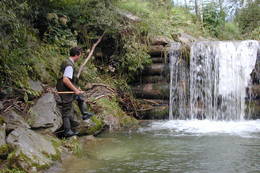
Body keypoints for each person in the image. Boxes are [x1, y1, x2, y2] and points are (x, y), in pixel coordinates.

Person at [56, 47, 93, 138]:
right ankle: (67, 131)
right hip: (65, 90)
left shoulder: (67, 62)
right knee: (66, 110)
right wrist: (75, 90)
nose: (80, 57)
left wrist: (76, 88)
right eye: (80, 55)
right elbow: (65, 80)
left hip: (65, 88)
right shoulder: (69, 65)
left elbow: (68, 79)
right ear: (76, 55)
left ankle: (85, 114)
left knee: (80, 96)